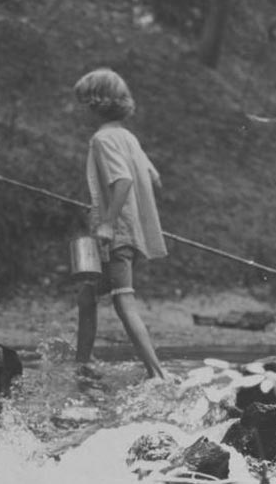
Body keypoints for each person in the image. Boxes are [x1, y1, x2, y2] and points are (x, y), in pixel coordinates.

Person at [73, 67, 167, 379]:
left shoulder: (102, 139)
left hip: (117, 234)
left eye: (83, 103)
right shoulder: (126, 137)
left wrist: (108, 223)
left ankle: (157, 373)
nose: (80, 111)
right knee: (87, 294)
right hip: (128, 230)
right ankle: (83, 364)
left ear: (95, 104)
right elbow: (152, 175)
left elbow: (123, 179)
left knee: (123, 299)